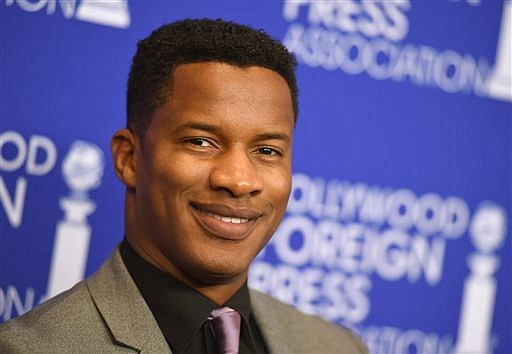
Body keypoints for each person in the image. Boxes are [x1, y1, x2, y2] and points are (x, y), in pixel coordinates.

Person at [0, 19, 367, 354]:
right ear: (129, 158)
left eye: (267, 150)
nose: (239, 180)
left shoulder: (337, 346)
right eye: (201, 142)